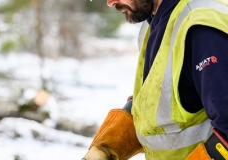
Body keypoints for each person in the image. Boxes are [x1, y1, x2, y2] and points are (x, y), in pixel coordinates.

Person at [82, 0, 228, 159]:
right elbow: (164, 101)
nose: (110, 2)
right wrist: (109, 145)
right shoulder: (154, 22)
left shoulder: (202, 28)